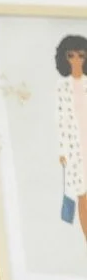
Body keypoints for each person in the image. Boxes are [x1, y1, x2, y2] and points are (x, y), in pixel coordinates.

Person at [56, 34, 87, 244]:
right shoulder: (62, 87)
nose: (76, 60)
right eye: (71, 55)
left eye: (81, 55)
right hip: (76, 148)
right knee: (82, 196)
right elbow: (61, 121)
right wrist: (63, 151)